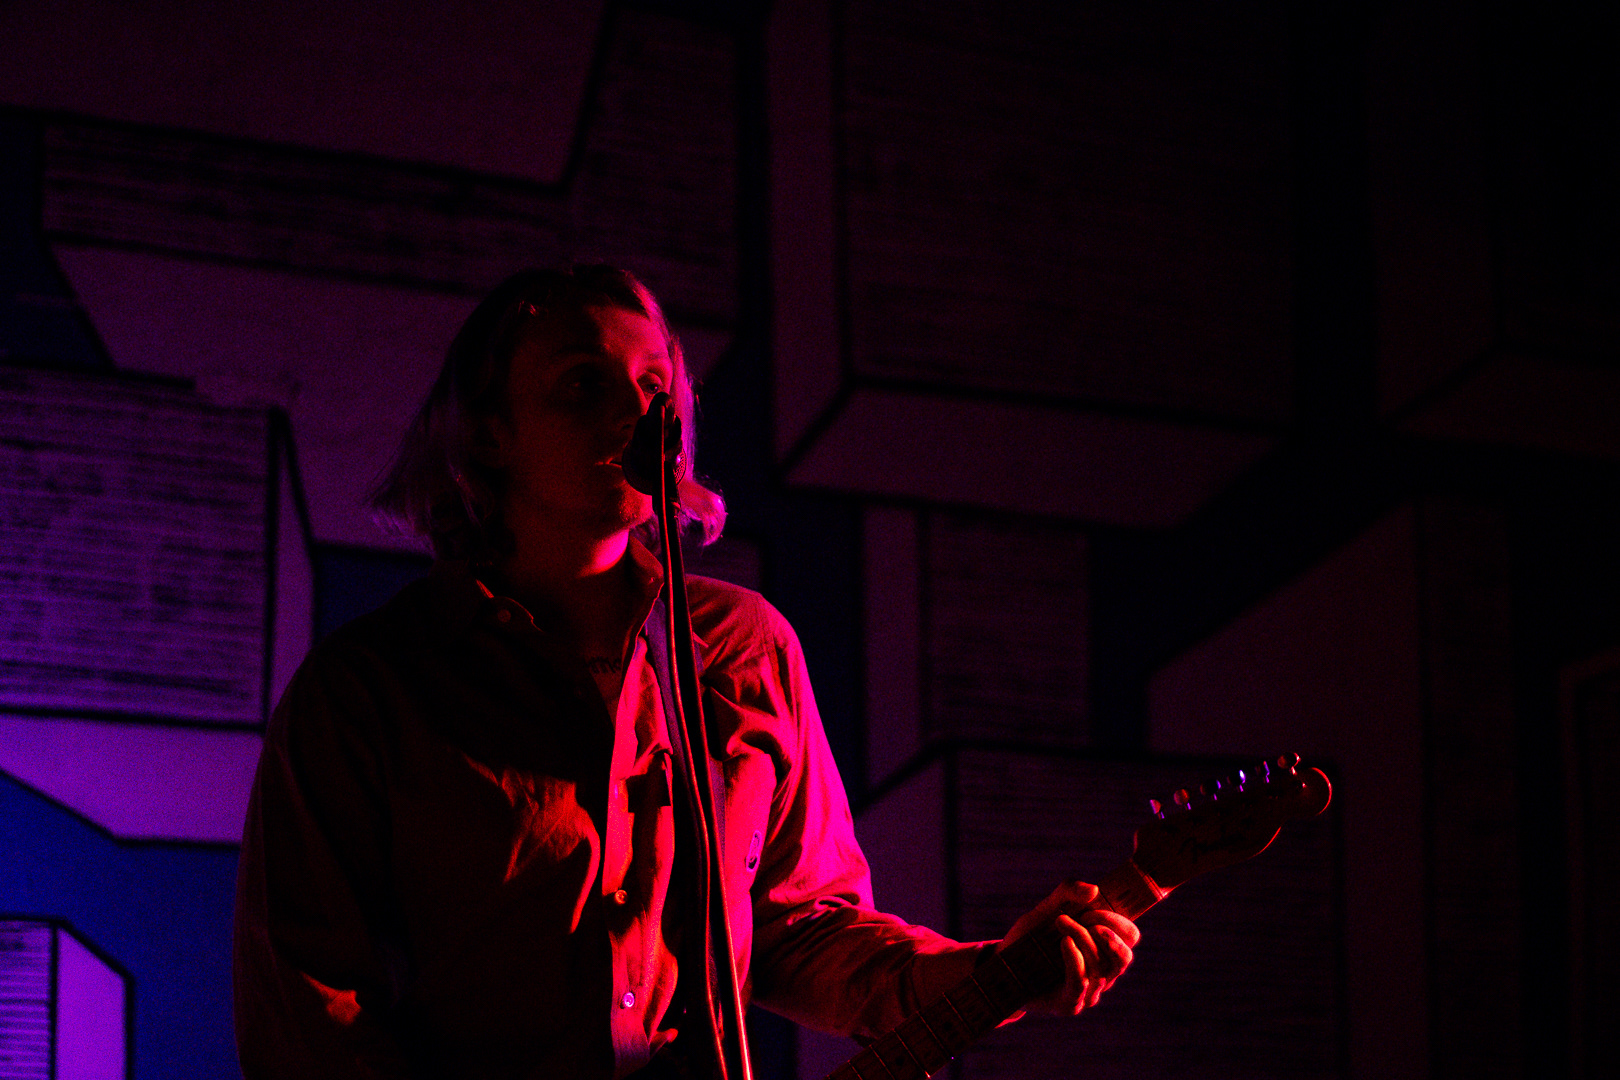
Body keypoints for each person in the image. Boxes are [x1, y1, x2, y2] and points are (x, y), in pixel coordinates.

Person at [232, 265, 1139, 1079]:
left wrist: (989, 971)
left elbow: (801, 927)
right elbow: (309, 1014)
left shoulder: (745, 646)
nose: (640, 416)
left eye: (655, 387)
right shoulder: (367, 690)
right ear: (491, 433)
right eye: (583, 385)